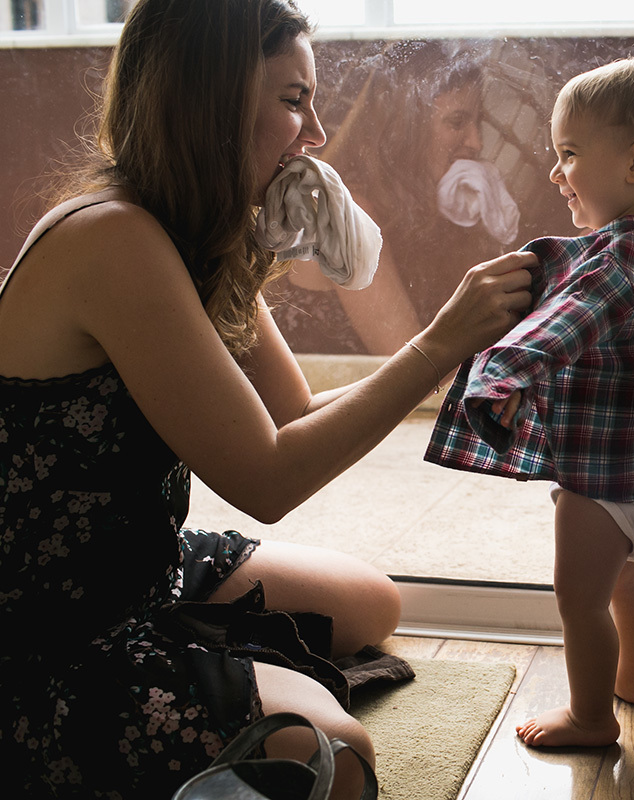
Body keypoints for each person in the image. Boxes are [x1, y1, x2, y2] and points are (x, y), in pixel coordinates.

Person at [0, 1, 533, 797]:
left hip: (140, 566)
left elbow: (295, 417)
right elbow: (269, 480)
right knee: (337, 757)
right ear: (209, 105)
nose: (315, 134)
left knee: (370, 606)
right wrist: (439, 344)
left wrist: (450, 357)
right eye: (292, 101)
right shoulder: (114, 240)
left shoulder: (196, 234)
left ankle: (206, 666)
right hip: (51, 632)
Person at [423, 56, 634, 748]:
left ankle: (591, 717)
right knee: (631, 578)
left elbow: (567, 324)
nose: (557, 173)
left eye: (570, 154)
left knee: (579, 599)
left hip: (603, 475)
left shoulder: (616, 261)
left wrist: (498, 376)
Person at [270, 39, 520, 356]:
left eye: (477, 121)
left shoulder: (427, 209)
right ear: (406, 126)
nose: (477, 142)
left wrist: (487, 229)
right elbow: (415, 365)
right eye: (458, 122)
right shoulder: (347, 211)